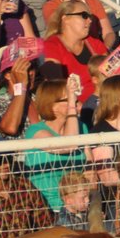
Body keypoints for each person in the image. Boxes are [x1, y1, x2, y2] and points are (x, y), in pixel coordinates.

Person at [21, 78, 85, 213]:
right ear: (52, 105)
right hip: (48, 208)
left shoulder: (81, 127)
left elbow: (90, 167)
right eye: (69, 99)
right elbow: (69, 145)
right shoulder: (35, 131)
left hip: (81, 204)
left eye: (75, 99)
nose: (75, 103)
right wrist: (72, 107)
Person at [41, 0, 107, 113]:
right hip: (75, 110)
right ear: (65, 19)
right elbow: (57, 87)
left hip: (105, 104)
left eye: (90, 17)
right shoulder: (52, 45)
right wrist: (81, 109)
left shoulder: (95, 43)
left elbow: (112, 75)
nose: (89, 21)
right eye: (84, 16)